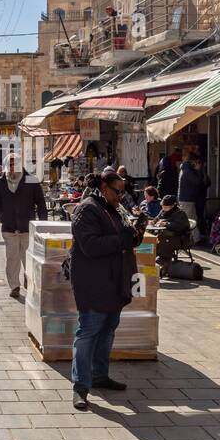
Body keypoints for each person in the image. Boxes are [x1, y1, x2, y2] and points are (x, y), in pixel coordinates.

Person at [69, 171, 145, 410]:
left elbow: (125, 240)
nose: (120, 196)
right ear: (104, 187)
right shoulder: (87, 209)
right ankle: (80, 387)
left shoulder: (114, 209)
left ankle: (99, 375)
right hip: (94, 283)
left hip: (115, 282)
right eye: (117, 191)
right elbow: (89, 246)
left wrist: (137, 233)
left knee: (108, 331)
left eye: (122, 191)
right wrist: (120, 239)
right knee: (88, 333)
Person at [0, 153, 48, 298]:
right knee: (12, 258)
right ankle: (14, 286)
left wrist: (43, 224)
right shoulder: (1, 182)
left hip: (27, 227)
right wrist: (2, 218)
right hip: (9, 228)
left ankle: (29, 279)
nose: (12, 167)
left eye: (14, 164)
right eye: (9, 165)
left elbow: (40, 203)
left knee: (27, 257)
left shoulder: (31, 180)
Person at [152, 194, 192, 276]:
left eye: (166, 207)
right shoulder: (163, 211)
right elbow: (157, 218)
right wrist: (153, 221)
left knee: (162, 240)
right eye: (163, 206)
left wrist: (166, 224)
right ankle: (156, 260)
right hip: (166, 235)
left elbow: (180, 226)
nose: (163, 208)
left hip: (179, 238)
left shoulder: (180, 214)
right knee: (153, 238)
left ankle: (164, 262)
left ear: (173, 205)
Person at [178, 154, 210, 242]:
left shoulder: (186, 169)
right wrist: (200, 171)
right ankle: (191, 239)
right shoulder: (188, 171)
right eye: (197, 162)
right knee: (189, 219)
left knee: (192, 219)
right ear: (193, 162)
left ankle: (195, 238)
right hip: (187, 199)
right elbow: (198, 182)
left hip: (187, 199)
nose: (198, 164)